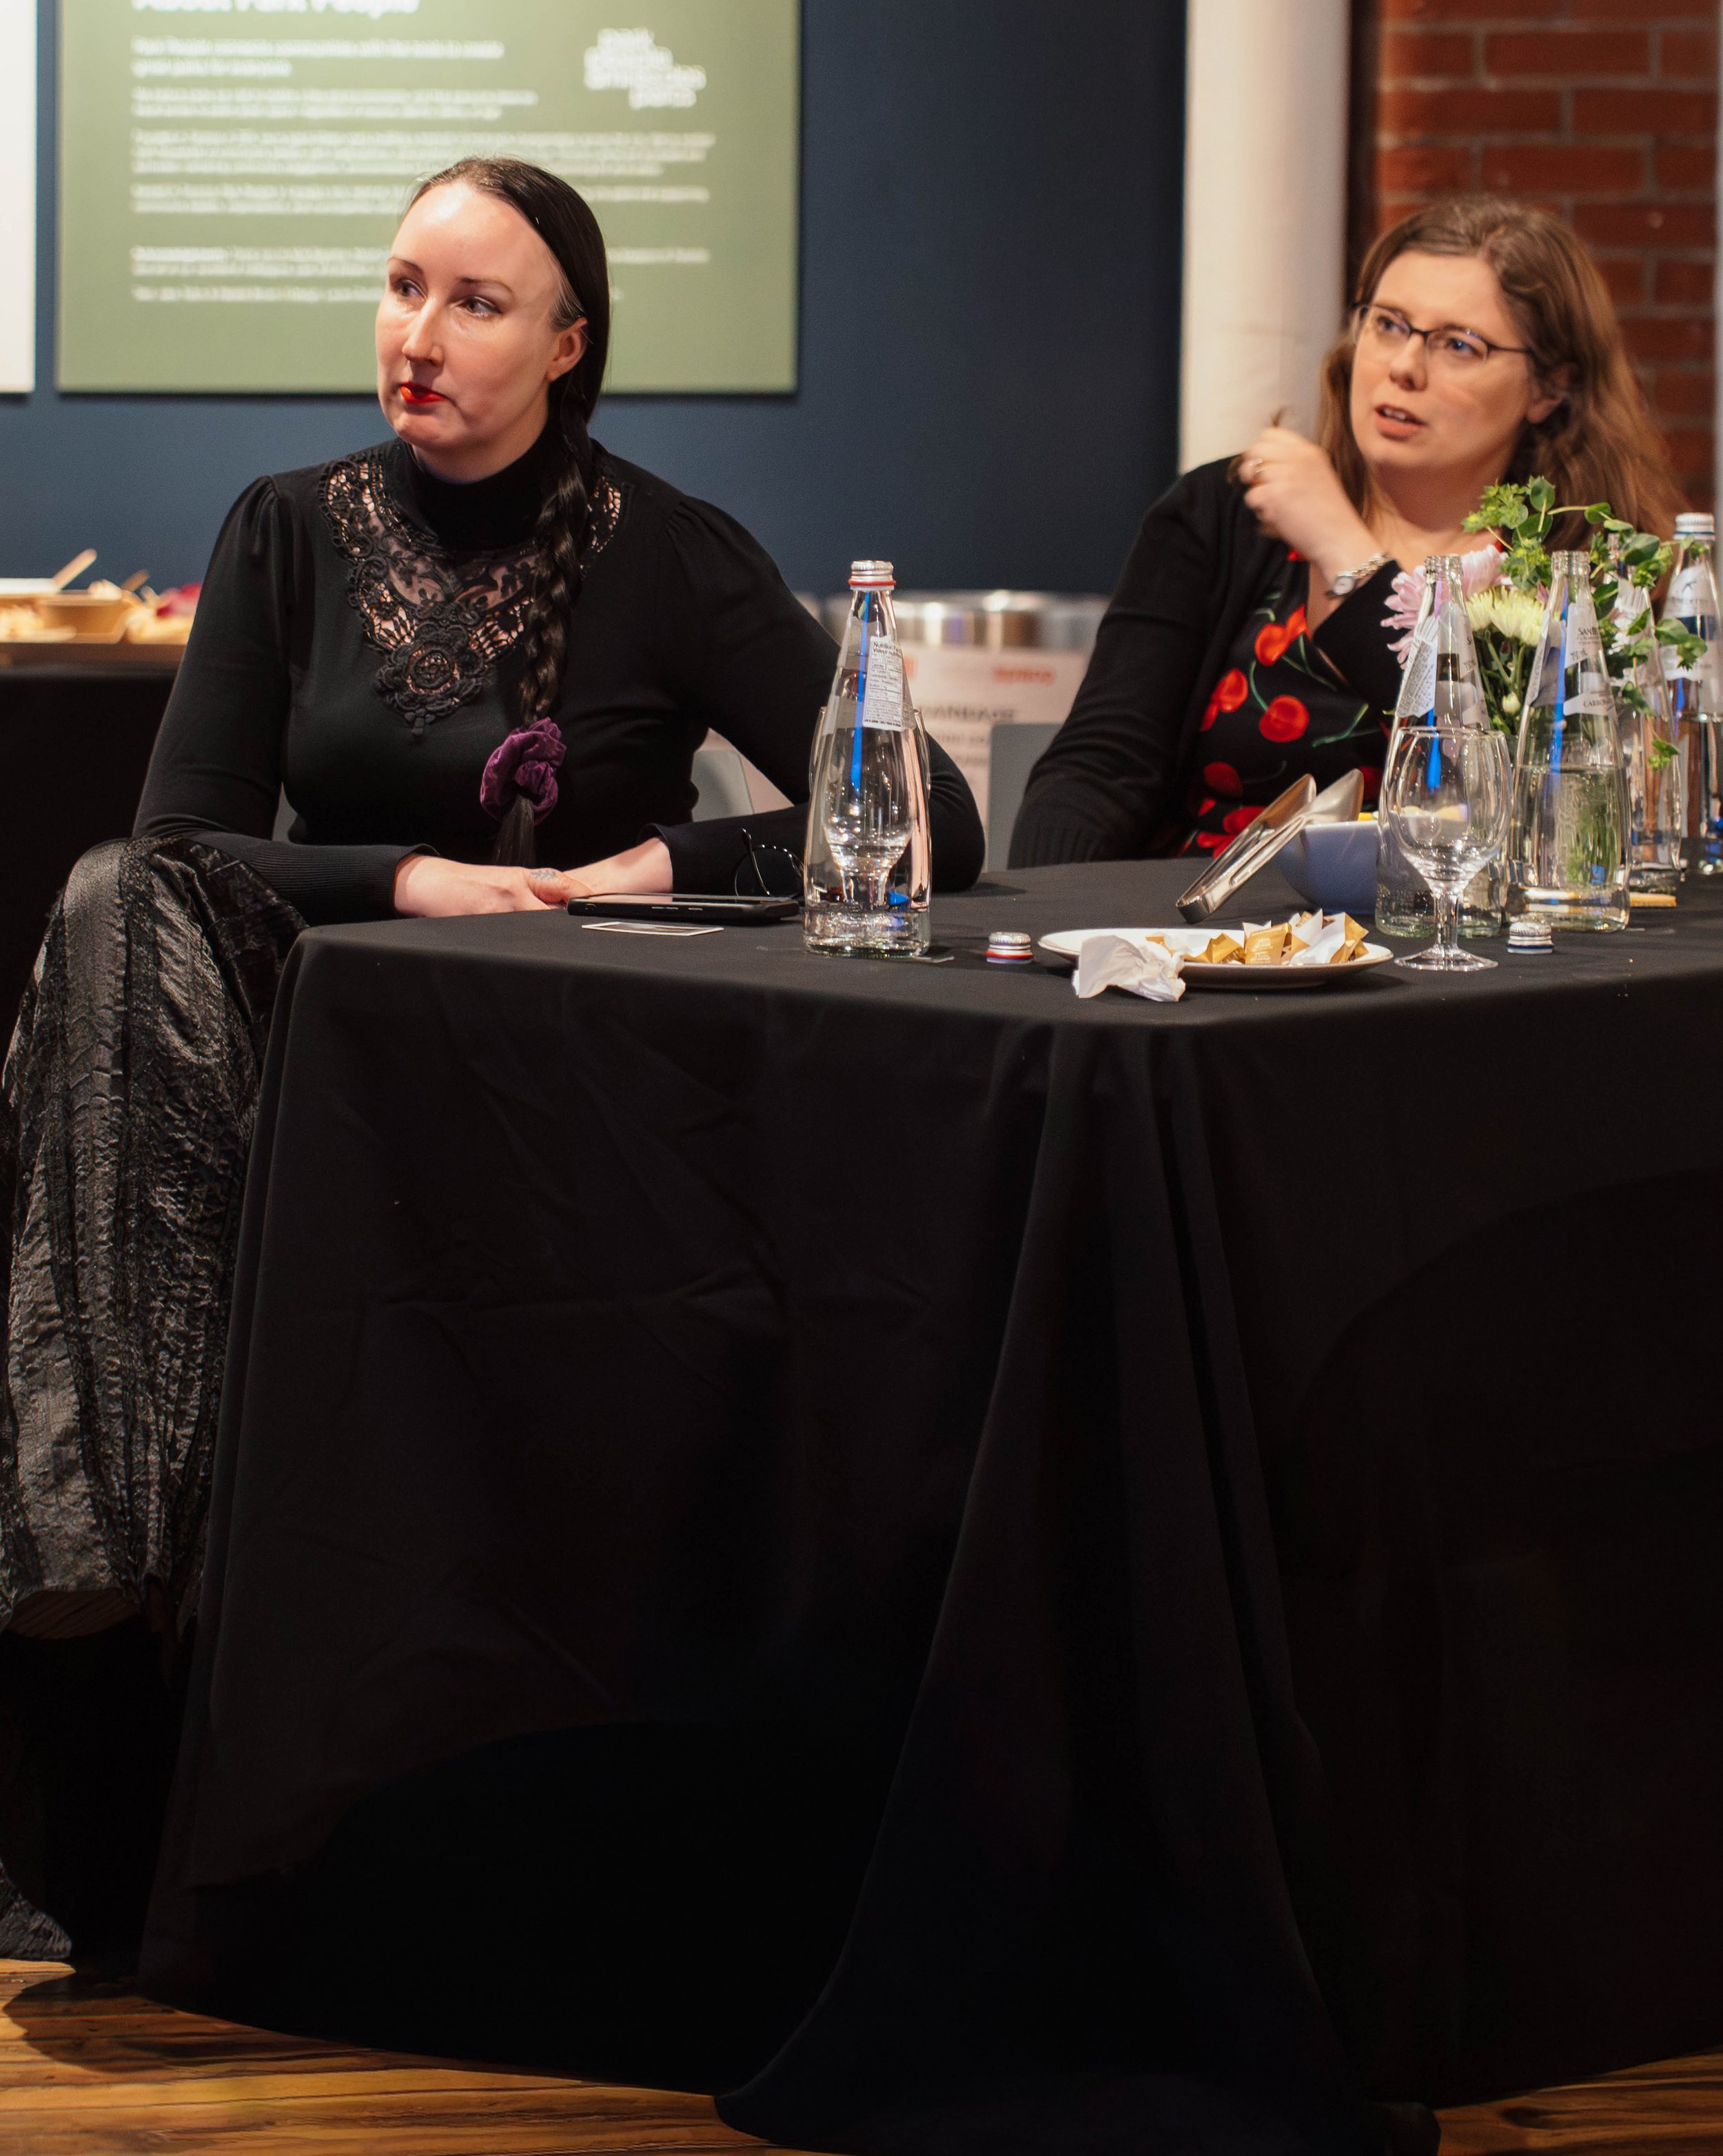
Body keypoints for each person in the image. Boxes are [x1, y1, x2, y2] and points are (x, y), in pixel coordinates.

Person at [0, 157, 982, 1955]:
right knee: (105, 906)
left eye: (474, 303)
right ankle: (101, 1555)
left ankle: (83, 1556)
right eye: (398, 288)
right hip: (317, 1037)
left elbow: (926, 813)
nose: (418, 337)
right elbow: (186, 846)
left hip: (553, 1081)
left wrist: (655, 861)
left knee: (102, 928)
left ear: (567, 341)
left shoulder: (664, 548)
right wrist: (408, 879)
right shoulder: (284, 525)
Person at [1010, 194, 1682, 867]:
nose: (1403, 367)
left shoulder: (1582, 566)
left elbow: (1535, 819)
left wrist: (1347, 557)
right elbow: (1100, 767)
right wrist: (1041, 933)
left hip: (1469, 954)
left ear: (1548, 388)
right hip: (1212, 947)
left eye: (1457, 344)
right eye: (1387, 324)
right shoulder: (1228, 513)